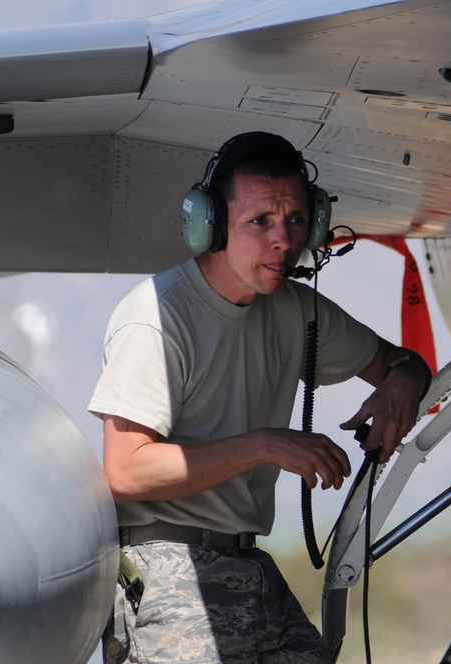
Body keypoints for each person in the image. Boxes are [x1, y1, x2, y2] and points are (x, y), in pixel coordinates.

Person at [89, 132, 432, 663]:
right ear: (213, 226)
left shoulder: (296, 309)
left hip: (250, 566)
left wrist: (401, 384)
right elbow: (126, 472)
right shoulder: (157, 316)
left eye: (296, 220)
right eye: (261, 223)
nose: (284, 240)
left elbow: (401, 362)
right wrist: (265, 445)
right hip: (165, 565)